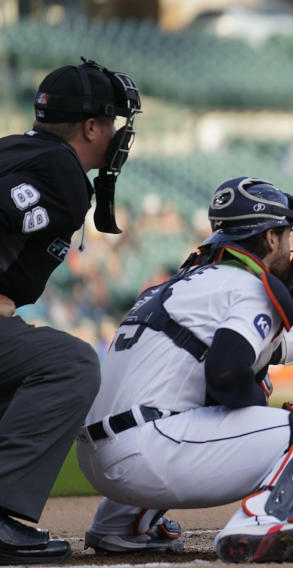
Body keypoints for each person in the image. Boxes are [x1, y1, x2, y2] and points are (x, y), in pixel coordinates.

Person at [76, 177, 293, 563]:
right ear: (270, 239)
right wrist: (255, 405)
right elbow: (226, 373)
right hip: (150, 454)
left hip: (99, 457)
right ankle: (259, 520)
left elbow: (250, 353)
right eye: (288, 235)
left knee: (212, 396)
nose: (292, 247)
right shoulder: (250, 286)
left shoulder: (184, 284)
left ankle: (120, 526)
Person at [0, 59, 141, 565]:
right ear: (90, 127)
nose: (118, 137)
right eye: (113, 125)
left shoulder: (16, 149)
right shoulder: (61, 170)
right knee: (70, 363)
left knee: (21, 371)